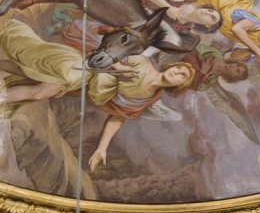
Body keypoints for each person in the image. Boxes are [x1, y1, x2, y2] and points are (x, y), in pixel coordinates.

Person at [0, 19, 196, 170]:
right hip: (79, 67)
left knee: (25, 71)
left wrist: (102, 147)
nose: (177, 72)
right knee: (39, 91)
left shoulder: (147, 98)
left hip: (80, 84)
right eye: (179, 68)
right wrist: (120, 68)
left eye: (182, 76)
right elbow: (111, 54)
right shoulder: (144, 63)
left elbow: (117, 116)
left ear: (179, 85)